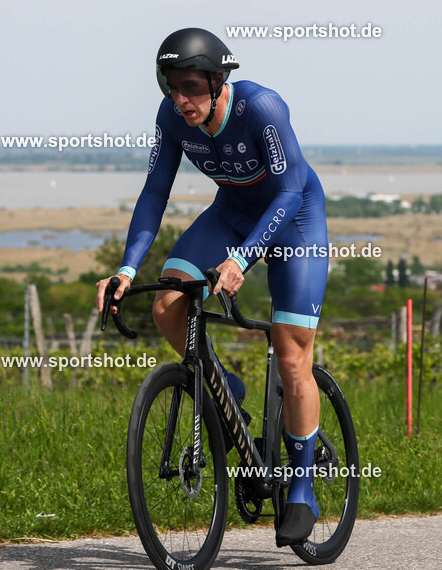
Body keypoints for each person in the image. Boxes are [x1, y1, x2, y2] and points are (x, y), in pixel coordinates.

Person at [95, 27, 329, 546]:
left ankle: (302, 489)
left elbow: (290, 190)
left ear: (219, 81)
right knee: (167, 304)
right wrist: (127, 268)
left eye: (192, 87)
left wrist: (244, 257)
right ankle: (228, 391)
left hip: (295, 218)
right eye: (172, 87)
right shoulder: (172, 119)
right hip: (232, 212)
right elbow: (155, 192)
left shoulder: (260, 108)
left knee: (293, 359)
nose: (181, 100)